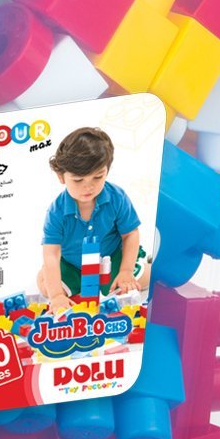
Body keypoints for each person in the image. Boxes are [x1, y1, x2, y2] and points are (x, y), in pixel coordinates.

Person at [38, 127, 149, 318]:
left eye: (98, 177)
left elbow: (130, 234)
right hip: (73, 265)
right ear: (61, 177)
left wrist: (125, 271)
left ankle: (140, 263)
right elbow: (51, 253)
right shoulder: (56, 212)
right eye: (78, 180)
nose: (88, 186)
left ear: (107, 171)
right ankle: (51, 279)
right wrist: (56, 295)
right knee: (46, 288)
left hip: (111, 258)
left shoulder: (117, 197)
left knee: (144, 279)